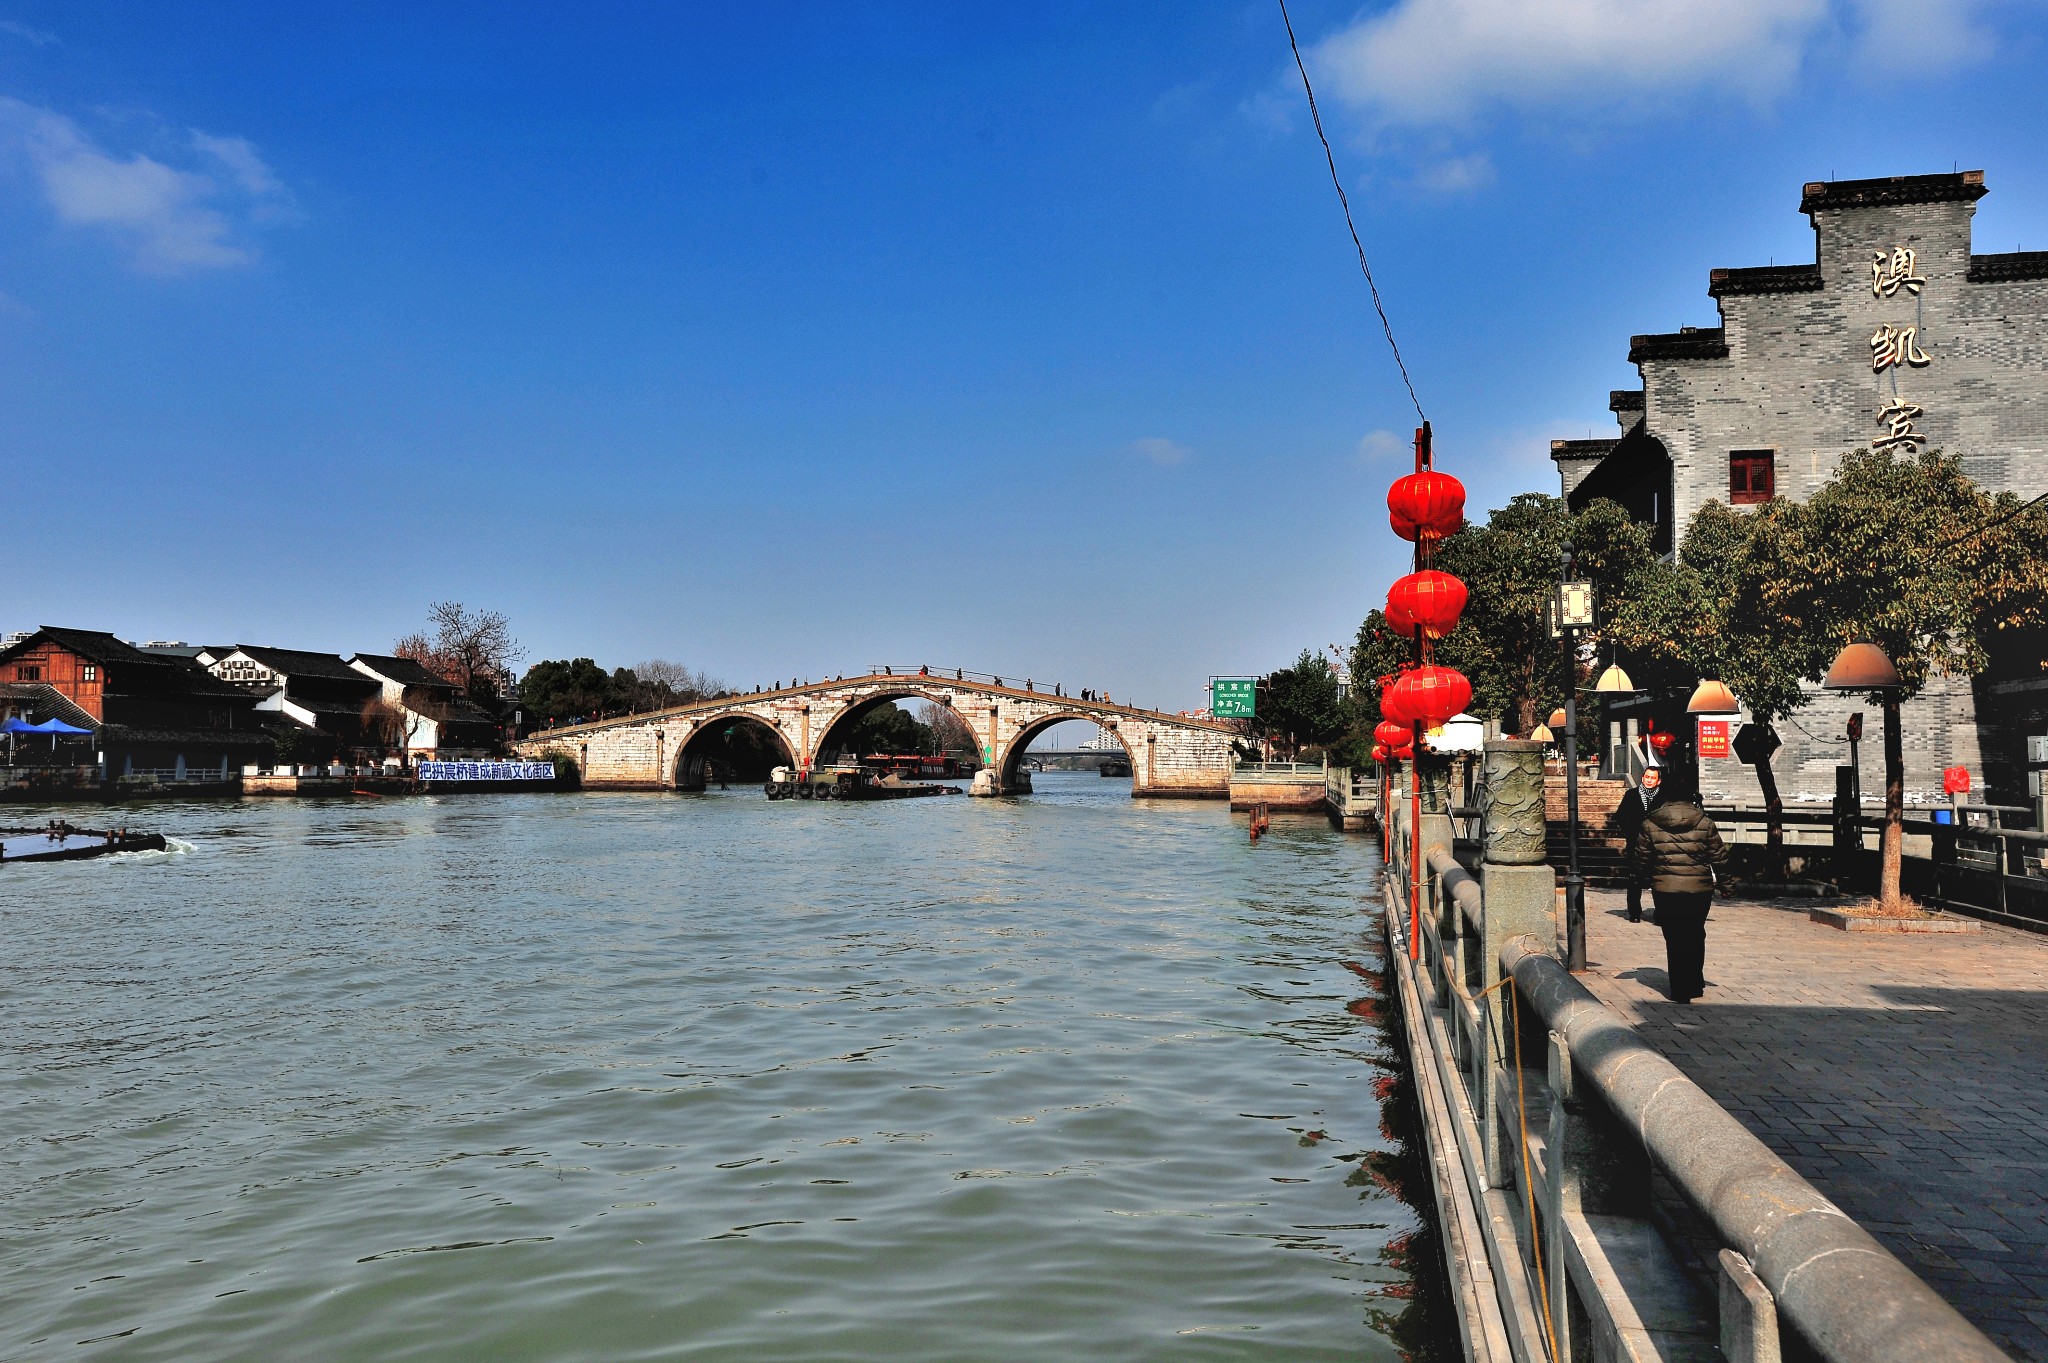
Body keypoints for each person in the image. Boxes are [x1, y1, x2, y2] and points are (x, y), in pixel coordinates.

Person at [1623, 773, 1729, 1004]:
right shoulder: (1704, 822)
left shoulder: (1651, 823)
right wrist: (1726, 884)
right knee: (1695, 932)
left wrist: (1636, 879)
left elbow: (1641, 858)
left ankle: (1680, 988)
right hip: (1699, 889)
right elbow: (1719, 857)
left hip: (1666, 889)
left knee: (1674, 936)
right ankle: (1694, 981)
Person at [1613, 766, 1664, 923]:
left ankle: (1661, 914)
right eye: (1647, 777)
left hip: (1658, 845)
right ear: (1642, 778)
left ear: (1658, 781)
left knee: (1659, 880)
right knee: (1635, 880)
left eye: (1652, 778)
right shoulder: (1631, 795)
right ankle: (1634, 912)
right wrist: (1631, 832)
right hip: (1636, 844)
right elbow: (1620, 817)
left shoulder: (1664, 797)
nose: (1649, 780)